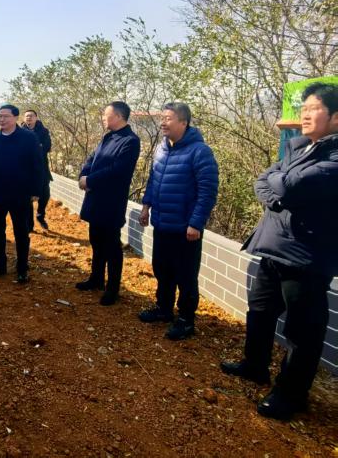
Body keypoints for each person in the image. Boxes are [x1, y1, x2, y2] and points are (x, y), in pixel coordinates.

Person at [220, 83, 338, 421]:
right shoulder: (300, 148)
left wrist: (280, 185)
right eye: (304, 108)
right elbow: (264, 181)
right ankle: (254, 366)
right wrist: (279, 190)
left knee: (302, 331)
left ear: (335, 117)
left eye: (314, 108)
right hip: (273, 247)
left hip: (305, 256)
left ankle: (291, 395)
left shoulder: (334, 157)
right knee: (260, 311)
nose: (305, 114)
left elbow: (289, 185)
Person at [138, 102, 218, 340]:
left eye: (168, 118)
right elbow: (153, 180)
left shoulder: (200, 152)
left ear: (184, 122)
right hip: (162, 223)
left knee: (185, 275)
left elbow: (207, 191)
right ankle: (164, 309)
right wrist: (146, 207)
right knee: (162, 269)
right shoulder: (162, 148)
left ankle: (186, 319)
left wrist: (196, 223)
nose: (163, 122)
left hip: (185, 228)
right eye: (162, 118)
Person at [75, 101, 140, 305]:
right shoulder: (107, 137)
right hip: (95, 197)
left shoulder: (130, 141)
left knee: (112, 246)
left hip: (111, 201)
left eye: (106, 115)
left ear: (118, 116)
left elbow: (117, 171)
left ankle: (112, 289)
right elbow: (91, 159)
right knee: (96, 240)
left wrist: (90, 180)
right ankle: (96, 278)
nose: (103, 118)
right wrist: (84, 175)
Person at [0, 104, 43, 283]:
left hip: (20, 193)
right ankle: (0, 265)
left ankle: (22, 268)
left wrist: (36, 190)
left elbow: (37, 165)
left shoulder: (28, 138)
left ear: (15, 117)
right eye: (0, 116)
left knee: (21, 231)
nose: (2, 119)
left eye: (5, 116)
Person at [22, 110, 53, 231]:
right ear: (24, 118)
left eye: (31, 116)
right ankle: (29, 224)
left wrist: (36, 148)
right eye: (26, 116)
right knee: (26, 197)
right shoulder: (19, 132)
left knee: (45, 194)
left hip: (42, 168)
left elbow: (47, 147)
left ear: (36, 118)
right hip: (25, 169)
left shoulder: (43, 131)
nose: (29, 118)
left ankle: (40, 215)